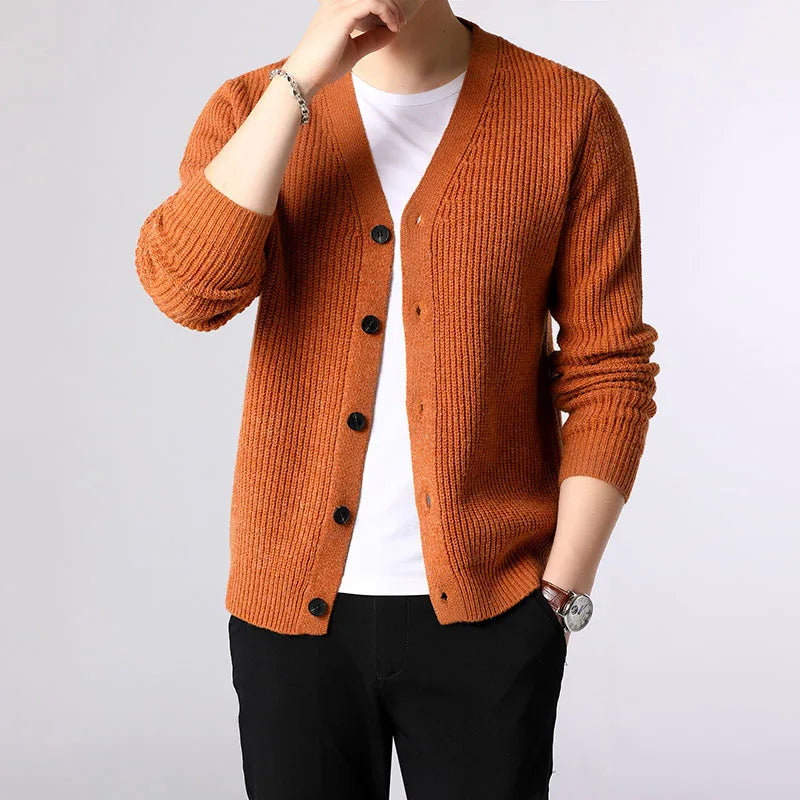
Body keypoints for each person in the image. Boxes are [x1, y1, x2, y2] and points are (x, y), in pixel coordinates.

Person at [135, 1, 660, 798]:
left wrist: (558, 594)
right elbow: (187, 291)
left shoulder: (566, 114)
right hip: (292, 617)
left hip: (493, 613)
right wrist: (302, 77)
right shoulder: (251, 106)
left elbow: (609, 370)